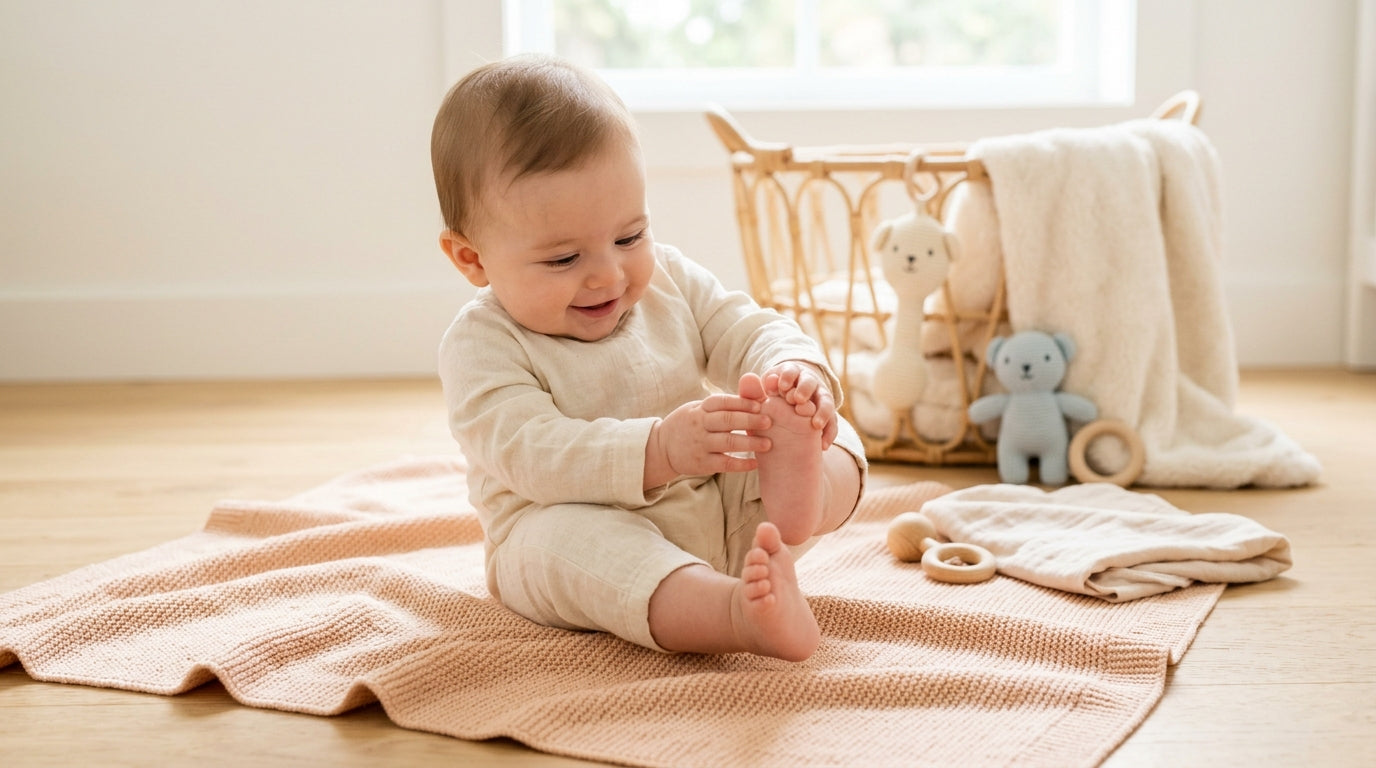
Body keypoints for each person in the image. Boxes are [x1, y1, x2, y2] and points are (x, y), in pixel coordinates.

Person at [432, 54, 866, 661]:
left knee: (837, 433)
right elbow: (532, 454)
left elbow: (744, 325)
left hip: (729, 515)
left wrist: (793, 374)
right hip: (590, 533)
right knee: (557, 542)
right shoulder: (482, 345)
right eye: (563, 260)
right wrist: (658, 450)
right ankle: (735, 614)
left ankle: (805, 499)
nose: (607, 274)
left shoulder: (668, 278)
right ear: (472, 259)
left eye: (629, 236)